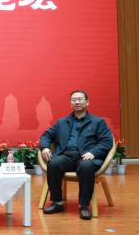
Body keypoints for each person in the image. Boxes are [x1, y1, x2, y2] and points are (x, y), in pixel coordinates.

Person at [39, 90, 113, 220]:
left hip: (86, 156)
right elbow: (46, 135)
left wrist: (93, 152)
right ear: (70, 103)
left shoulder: (98, 122)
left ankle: (84, 205)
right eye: (74, 100)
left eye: (80, 99)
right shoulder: (62, 122)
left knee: (86, 166)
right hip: (67, 155)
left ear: (87, 102)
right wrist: (45, 147)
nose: (77, 102)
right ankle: (57, 202)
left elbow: (107, 141)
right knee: (54, 164)